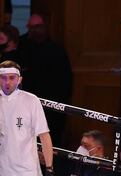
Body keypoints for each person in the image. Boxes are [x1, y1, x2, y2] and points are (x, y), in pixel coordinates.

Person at [17, 14, 73, 145]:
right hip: (28, 102)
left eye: (37, 27)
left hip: (53, 103)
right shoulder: (23, 47)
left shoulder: (56, 50)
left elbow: (66, 79)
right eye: (31, 27)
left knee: (52, 137)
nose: (34, 30)